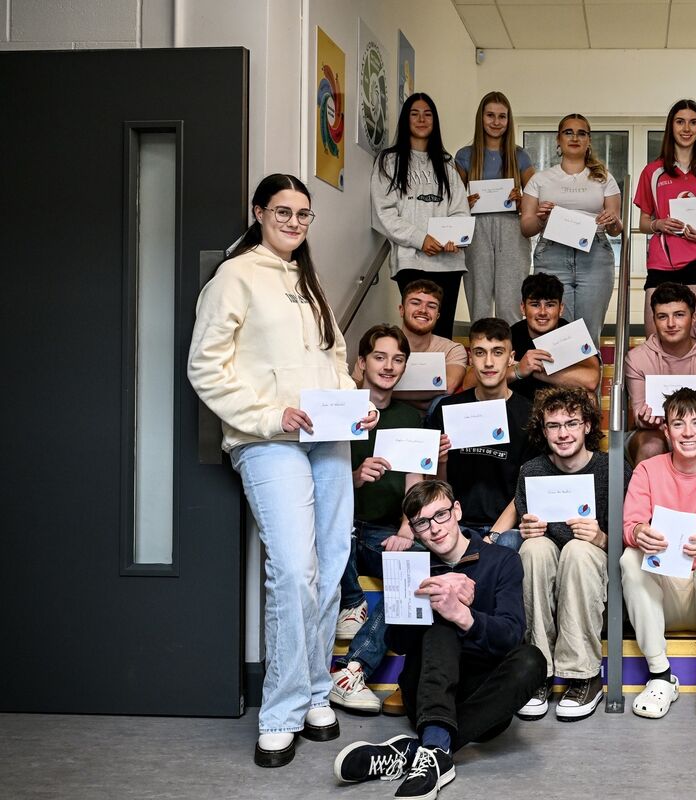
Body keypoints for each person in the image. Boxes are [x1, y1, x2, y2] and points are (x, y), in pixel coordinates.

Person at [187, 174, 378, 767]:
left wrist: (355, 400)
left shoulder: (310, 282)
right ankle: (280, 712)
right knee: (293, 570)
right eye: (283, 212)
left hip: (329, 439)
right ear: (258, 212)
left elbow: (335, 362)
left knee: (327, 569)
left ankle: (318, 691)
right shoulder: (234, 276)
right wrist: (272, 415)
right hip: (269, 439)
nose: (294, 223)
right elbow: (206, 369)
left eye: (303, 214)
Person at [332, 480, 545, 799]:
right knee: (440, 621)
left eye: (441, 515)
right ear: (414, 531)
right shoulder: (412, 569)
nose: (434, 528)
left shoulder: (502, 559)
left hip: (483, 699)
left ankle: (416, 752)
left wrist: (465, 615)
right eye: (422, 522)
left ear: (457, 511)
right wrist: (427, 600)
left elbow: (510, 635)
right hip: (426, 690)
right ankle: (434, 749)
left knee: (532, 660)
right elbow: (400, 644)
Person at [330, 324, 449, 716]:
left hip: (383, 533)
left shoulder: (408, 417)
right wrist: (355, 477)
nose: (388, 366)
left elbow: (416, 486)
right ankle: (351, 601)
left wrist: (405, 529)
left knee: (418, 568)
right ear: (361, 363)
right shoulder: (340, 410)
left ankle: (351, 671)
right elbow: (318, 488)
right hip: (343, 531)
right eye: (379, 357)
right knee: (332, 529)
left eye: (397, 359)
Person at [504, 388, 629, 722]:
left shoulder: (611, 468)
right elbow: (527, 525)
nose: (563, 433)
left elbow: (633, 530)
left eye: (572, 423)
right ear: (543, 431)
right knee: (532, 548)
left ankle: (583, 673)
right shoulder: (532, 470)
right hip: (547, 556)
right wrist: (526, 531)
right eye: (553, 425)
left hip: (590, 560)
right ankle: (538, 671)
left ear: (587, 425)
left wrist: (603, 537)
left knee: (578, 550)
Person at [620, 388, 696, 720]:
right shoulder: (648, 470)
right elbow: (630, 524)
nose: (688, 433)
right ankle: (660, 675)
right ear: (666, 430)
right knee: (629, 557)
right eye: (679, 424)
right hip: (661, 593)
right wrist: (639, 533)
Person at [635, 99, 696, 336]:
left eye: (693, 122)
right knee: (655, 337)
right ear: (671, 126)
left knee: (688, 336)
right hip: (662, 261)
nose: (686, 129)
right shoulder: (653, 172)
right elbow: (643, 222)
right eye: (680, 122)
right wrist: (659, 224)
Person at [372, 93, 468, 340]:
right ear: (406, 120)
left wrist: (453, 238)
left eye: (428, 114)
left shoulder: (447, 163)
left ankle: (443, 380)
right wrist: (420, 239)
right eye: (415, 114)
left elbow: (459, 209)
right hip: (411, 261)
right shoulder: (389, 161)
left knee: (443, 334)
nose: (422, 119)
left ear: (434, 121)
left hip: (449, 263)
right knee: (417, 332)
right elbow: (384, 213)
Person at [521, 113, 623, 344]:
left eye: (581, 133)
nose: (575, 137)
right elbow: (526, 227)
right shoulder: (540, 179)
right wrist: (540, 218)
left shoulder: (605, 178)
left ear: (588, 140)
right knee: (554, 335)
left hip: (595, 255)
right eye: (568, 132)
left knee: (588, 335)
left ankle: (587, 381)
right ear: (558, 139)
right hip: (552, 253)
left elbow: (616, 229)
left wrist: (611, 221)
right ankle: (553, 382)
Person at [430, 318, 533, 537]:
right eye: (479, 353)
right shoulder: (447, 409)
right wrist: (441, 461)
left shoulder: (529, 414)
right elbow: (433, 486)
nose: (488, 362)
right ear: (470, 358)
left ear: (511, 358)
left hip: (507, 530)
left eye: (497, 352)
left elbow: (526, 489)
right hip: (454, 525)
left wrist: (493, 537)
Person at [625, 282, 696, 465]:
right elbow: (639, 418)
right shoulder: (636, 359)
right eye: (662, 317)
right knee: (651, 446)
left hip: (695, 431)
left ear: (694, 317)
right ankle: (648, 494)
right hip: (651, 431)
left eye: (679, 315)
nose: (671, 324)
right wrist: (645, 419)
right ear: (654, 320)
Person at [455, 91, 536, 322]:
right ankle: (481, 353)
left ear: (509, 120)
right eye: (490, 115)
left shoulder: (519, 155)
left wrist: (522, 200)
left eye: (502, 116)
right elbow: (451, 199)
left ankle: (512, 356)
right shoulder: (465, 155)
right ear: (481, 118)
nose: (496, 122)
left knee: (510, 302)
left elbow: (535, 196)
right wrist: (464, 202)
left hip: (511, 228)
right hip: (476, 229)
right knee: (478, 300)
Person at [462, 272, 601, 399]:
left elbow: (591, 380)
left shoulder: (571, 333)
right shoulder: (510, 335)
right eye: (535, 305)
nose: (542, 312)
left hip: (560, 410)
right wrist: (518, 370)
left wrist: (535, 371)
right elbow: (469, 383)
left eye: (550, 305)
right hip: (517, 408)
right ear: (523, 308)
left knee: (589, 398)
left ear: (561, 309)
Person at [394, 279, 468, 415]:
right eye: (415, 303)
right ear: (402, 310)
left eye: (432, 306)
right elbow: (361, 388)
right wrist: (426, 399)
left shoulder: (452, 349)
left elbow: (448, 388)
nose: (423, 310)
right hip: (387, 417)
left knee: (442, 401)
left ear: (437, 315)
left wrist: (386, 391)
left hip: (433, 421)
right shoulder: (379, 343)